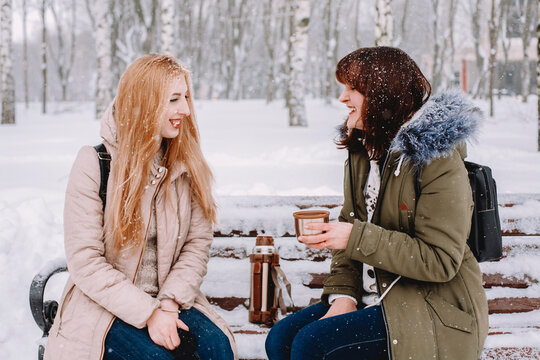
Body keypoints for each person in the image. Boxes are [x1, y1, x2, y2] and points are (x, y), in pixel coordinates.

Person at [265, 47, 488, 360]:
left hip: (432, 308)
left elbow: (440, 261)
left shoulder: (437, 158)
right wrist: (344, 294)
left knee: (312, 344)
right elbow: (348, 231)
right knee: (281, 339)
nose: (343, 98)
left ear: (384, 95)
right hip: (378, 297)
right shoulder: (363, 150)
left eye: (353, 89)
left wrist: (354, 237)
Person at [44, 54, 237, 360]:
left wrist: (170, 304)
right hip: (104, 306)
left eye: (186, 97)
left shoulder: (186, 164)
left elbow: (197, 243)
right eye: (174, 99)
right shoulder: (95, 164)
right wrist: (149, 314)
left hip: (171, 299)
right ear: (144, 102)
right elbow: (85, 260)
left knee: (217, 350)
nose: (185, 110)